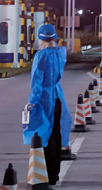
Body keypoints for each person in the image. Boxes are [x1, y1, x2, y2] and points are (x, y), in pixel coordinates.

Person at [24, 24, 72, 186]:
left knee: (44, 136)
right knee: (56, 134)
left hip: (44, 98)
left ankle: (47, 175)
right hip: (57, 95)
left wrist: (32, 101)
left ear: (40, 38)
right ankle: (54, 174)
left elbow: (36, 82)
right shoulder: (61, 52)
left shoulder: (41, 56)